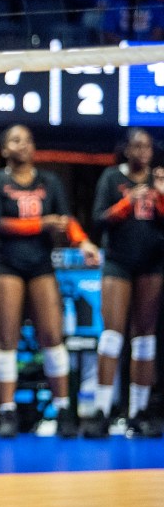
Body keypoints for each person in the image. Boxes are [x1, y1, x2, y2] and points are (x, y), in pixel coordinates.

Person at [0, 124, 99, 438]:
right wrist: (41, 223)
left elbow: (65, 219)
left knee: (52, 335)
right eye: (16, 140)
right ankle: (7, 413)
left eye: (28, 139)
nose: (24, 144)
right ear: (4, 149)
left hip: (40, 263)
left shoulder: (50, 181)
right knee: (6, 339)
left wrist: (83, 242)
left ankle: (62, 410)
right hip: (5, 263)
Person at [88, 129, 164, 438]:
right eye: (136, 145)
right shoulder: (111, 177)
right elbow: (99, 218)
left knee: (145, 339)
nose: (142, 151)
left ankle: (138, 412)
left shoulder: (159, 180)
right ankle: (103, 410)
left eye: (146, 146)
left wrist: (159, 193)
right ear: (126, 150)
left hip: (152, 263)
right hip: (119, 261)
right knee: (111, 335)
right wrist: (127, 201)